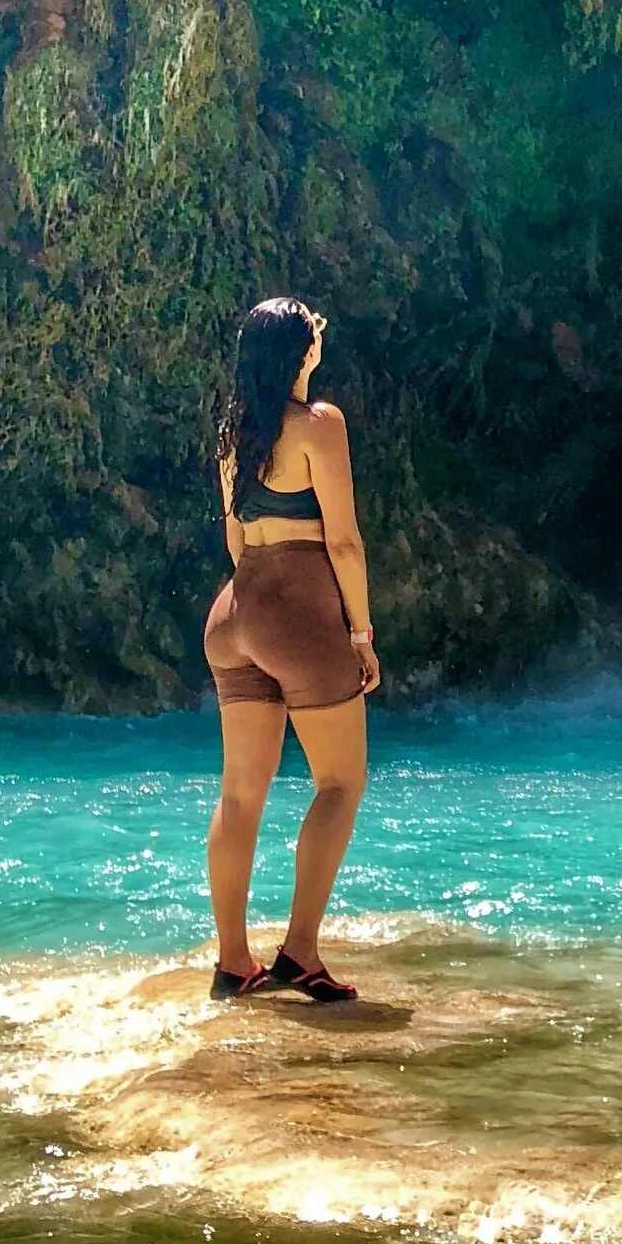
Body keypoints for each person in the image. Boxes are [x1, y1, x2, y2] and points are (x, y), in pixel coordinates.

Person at [202, 295, 382, 1003]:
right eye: (315, 328)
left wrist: (261, 606)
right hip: (300, 617)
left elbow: (235, 537)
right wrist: (360, 633)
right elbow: (344, 541)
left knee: (240, 792)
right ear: (302, 350)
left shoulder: (233, 432)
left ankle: (232, 962)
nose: (322, 333)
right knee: (340, 782)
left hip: (234, 614)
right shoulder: (318, 424)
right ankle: (299, 952)